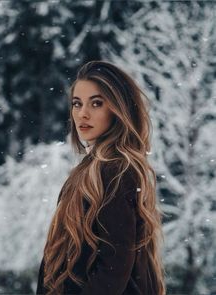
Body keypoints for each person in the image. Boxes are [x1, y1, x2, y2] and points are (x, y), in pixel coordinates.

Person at [36, 60, 166, 295]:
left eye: (96, 103)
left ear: (118, 109)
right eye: (77, 104)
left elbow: (114, 265)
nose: (82, 114)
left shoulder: (115, 169)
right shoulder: (93, 168)